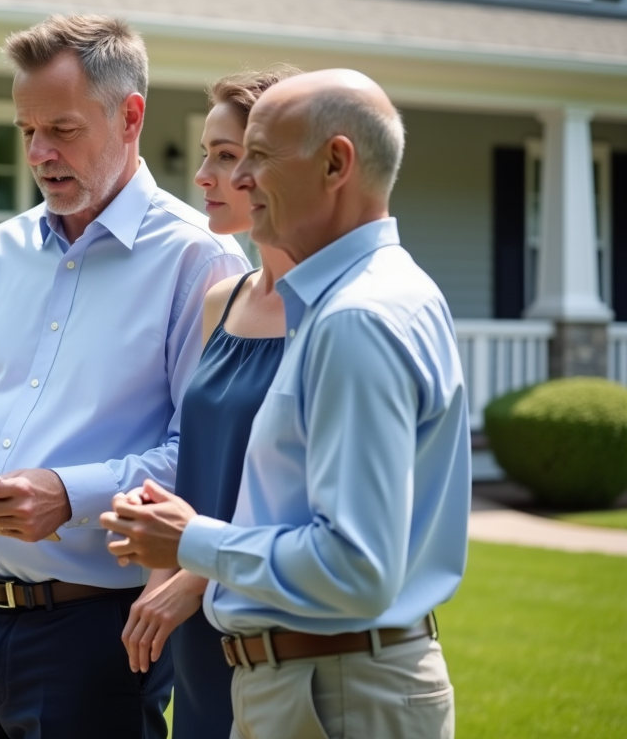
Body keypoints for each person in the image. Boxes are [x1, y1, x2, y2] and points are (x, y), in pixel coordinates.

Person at [0, 14, 251, 739]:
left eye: (63, 130)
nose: (40, 153)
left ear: (130, 116)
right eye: (26, 131)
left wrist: (70, 494)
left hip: (99, 632)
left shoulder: (200, 263)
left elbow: (204, 459)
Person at [102, 68, 470, 739]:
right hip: (309, 680)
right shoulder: (365, 295)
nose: (241, 178)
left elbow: (356, 569)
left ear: (336, 163)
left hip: (332, 690)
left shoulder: (355, 318)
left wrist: (193, 543)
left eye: (258, 156)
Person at [117, 67, 299, 739]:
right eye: (205, 154)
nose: (204, 177)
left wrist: (191, 574)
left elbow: (302, 494)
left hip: (278, 620)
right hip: (193, 624)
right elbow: (197, 457)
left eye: (226, 156)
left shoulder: (334, 312)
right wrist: (157, 579)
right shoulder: (221, 301)